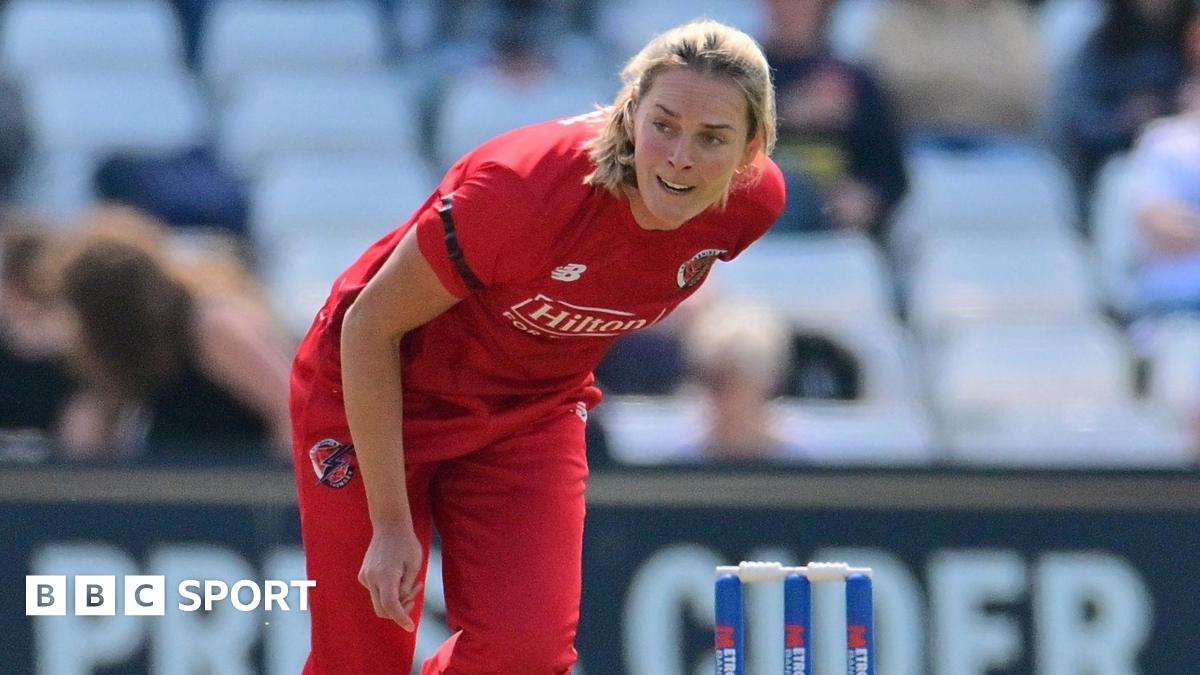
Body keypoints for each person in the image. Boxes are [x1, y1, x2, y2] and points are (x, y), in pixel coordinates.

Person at [289, 19, 784, 674]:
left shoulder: (750, 205)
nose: (680, 156)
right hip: (379, 390)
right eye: (663, 125)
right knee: (361, 662)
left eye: (712, 138)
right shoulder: (522, 192)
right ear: (630, 113)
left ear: (753, 148)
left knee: (525, 655)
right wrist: (389, 522)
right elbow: (370, 326)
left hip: (530, 409)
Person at [47, 207, 293, 461]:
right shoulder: (138, 358)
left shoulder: (210, 327)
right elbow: (86, 438)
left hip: (240, 479)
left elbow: (291, 411)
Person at [761, 0, 908, 238]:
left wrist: (868, 199)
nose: (792, 8)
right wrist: (785, 113)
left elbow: (890, 174)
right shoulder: (733, 76)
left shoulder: (855, 81)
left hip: (835, 229)